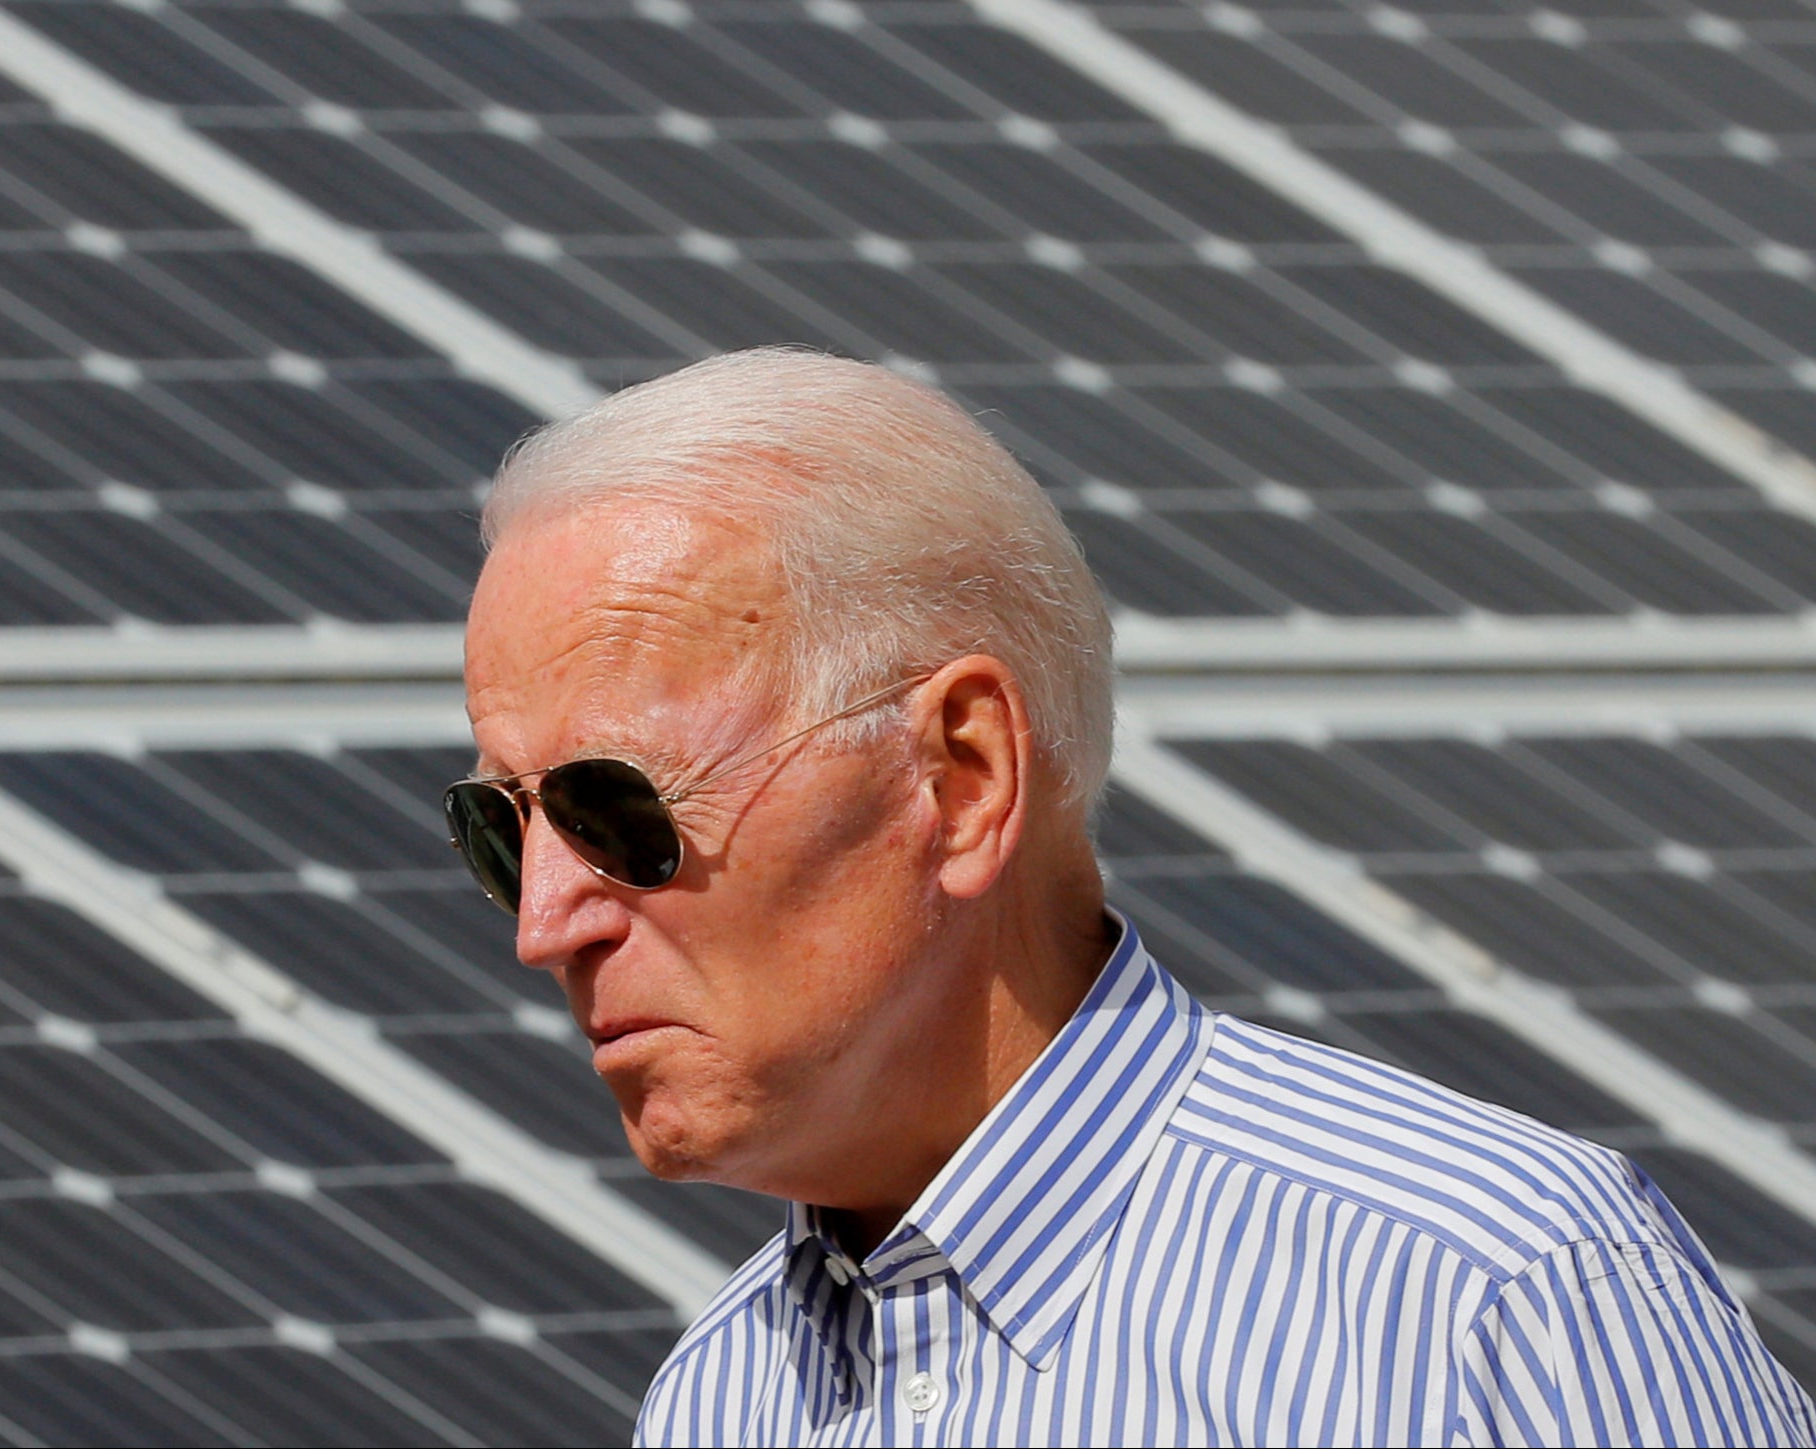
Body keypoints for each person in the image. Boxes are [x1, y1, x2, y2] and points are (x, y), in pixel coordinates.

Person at [448, 347, 1814, 1446]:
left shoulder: (1480, 1296)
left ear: (960, 773)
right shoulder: (719, 1399)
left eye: (615, 809)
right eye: (503, 828)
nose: (542, 922)